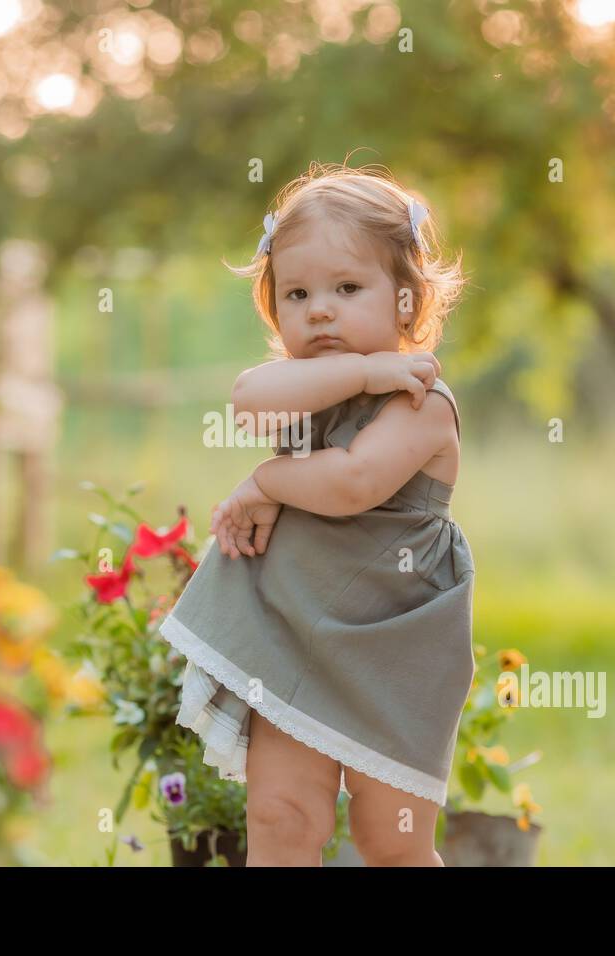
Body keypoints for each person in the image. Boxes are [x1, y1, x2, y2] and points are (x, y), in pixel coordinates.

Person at [157, 161, 474, 866]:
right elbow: (246, 399)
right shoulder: (311, 390)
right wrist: (359, 371)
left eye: (347, 288)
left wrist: (266, 481)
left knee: (389, 839)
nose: (320, 309)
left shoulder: (419, 400)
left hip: (395, 643)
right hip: (297, 633)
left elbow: (354, 481)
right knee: (280, 817)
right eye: (297, 294)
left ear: (405, 301)